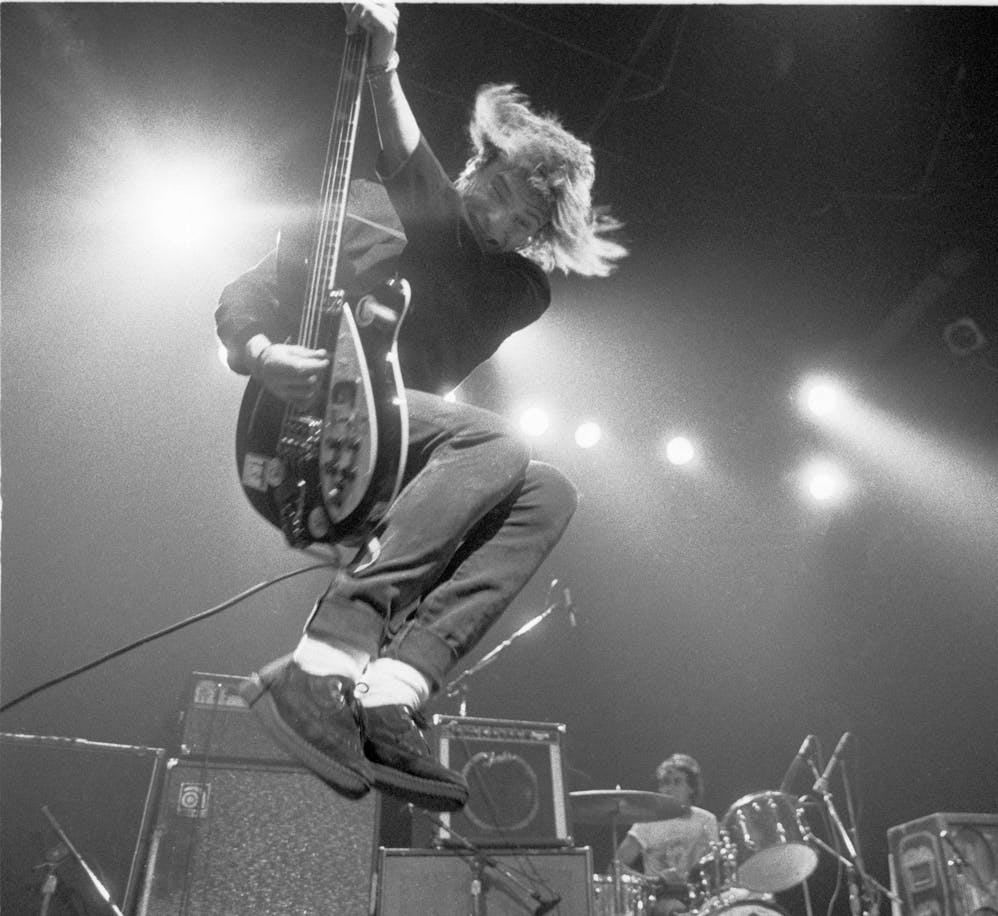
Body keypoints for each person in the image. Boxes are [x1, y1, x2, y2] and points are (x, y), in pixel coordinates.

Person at [216, 0, 625, 813]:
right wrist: (264, 355)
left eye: (529, 221)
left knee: (551, 488)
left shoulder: (519, 288)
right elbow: (243, 298)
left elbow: (433, 214)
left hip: (398, 452)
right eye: (502, 193)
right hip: (292, 438)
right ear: (479, 168)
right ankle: (326, 659)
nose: (505, 223)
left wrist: (384, 67)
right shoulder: (359, 204)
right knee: (498, 445)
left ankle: (389, 690)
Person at [616, 754, 721, 916]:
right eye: (665, 783)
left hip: (700, 897)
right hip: (660, 898)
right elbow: (616, 867)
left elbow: (716, 869)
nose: (669, 788)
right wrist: (655, 881)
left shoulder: (706, 820)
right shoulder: (647, 822)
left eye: (677, 782)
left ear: (691, 787)